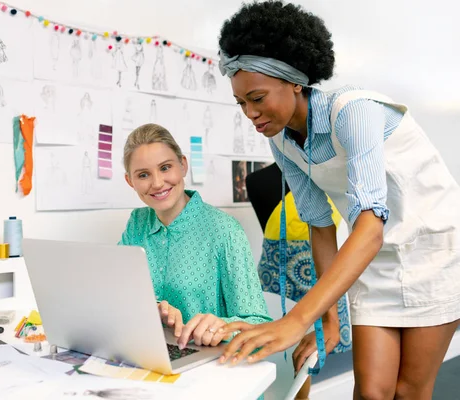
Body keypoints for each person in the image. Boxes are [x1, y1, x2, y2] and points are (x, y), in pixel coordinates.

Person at [216, 1, 460, 399]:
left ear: (295, 80)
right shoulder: (281, 140)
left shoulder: (354, 111)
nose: (251, 114)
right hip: (372, 258)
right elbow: (320, 224)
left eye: (257, 98)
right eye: (242, 103)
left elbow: (369, 227)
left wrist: (296, 320)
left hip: (432, 252)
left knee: (409, 391)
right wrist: (328, 320)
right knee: (371, 392)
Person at [118, 123, 272, 350]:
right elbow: (117, 295)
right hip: (147, 353)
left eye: (165, 167)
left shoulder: (224, 230)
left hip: (209, 364)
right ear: (130, 181)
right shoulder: (136, 224)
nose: (158, 183)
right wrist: (154, 308)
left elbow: (259, 326)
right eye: (143, 175)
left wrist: (221, 326)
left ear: (182, 165)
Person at [247, 163, 352, 400]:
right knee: (278, 360)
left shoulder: (326, 173)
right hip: (277, 280)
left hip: (322, 278)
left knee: (306, 358)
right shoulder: (258, 180)